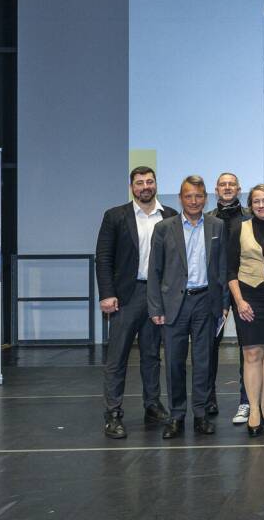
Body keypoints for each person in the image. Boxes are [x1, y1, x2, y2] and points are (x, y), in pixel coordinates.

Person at [95, 166, 176, 439]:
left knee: (152, 355)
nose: (145, 186)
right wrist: (107, 294)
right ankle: (113, 413)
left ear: (156, 184)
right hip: (126, 297)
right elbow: (103, 258)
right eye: (139, 183)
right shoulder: (115, 216)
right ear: (132, 187)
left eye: (149, 182)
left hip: (158, 298)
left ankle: (152, 405)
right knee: (117, 357)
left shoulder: (171, 216)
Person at [148, 176, 228, 438]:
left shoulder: (217, 225)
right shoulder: (164, 228)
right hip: (174, 305)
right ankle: (177, 415)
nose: (194, 201)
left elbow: (223, 268)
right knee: (174, 363)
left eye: (199, 196)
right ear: (181, 198)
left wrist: (224, 304)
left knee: (204, 362)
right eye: (188, 196)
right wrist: (156, 307)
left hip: (206, 302)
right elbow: (155, 270)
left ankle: (201, 414)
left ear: (206, 198)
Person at [227, 185, 264, 437]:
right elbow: (229, 269)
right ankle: (252, 410)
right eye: (256, 201)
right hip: (247, 296)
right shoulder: (239, 227)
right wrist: (239, 301)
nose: (261, 205)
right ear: (251, 204)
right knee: (251, 354)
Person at [206, 172, 247, 421]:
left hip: (244, 289)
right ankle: (208, 399)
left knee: (248, 347)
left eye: (232, 184)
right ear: (216, 189)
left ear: (239, 189)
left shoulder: (250, 218)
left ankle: (247, 399)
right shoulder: (207, 219)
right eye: (223, 184)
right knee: (209, 346)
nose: (228, 187)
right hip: (214, 291)